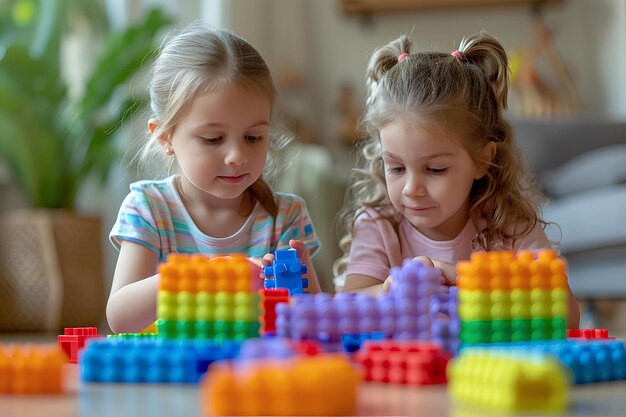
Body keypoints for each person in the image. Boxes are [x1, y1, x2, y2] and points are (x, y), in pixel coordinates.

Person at [333, 32, 579, 328]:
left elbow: (567, 316)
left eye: (435, 169)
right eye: (396, 168)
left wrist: (468, 280)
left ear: (483, 160)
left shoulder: (509, 226)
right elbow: (347, 307)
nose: (412, 189)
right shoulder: (380, 225)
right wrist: (390, 291)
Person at [107, 24, 321, 334]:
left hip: (255, 373)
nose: (237, 156)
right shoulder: (148, 210)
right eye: (212, 138)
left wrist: (300, 290)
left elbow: (315, 323)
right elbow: (121, 317)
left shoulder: (285, 217)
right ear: (165, 137)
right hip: (174, 376)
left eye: (253, 137)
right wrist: (202, 276)